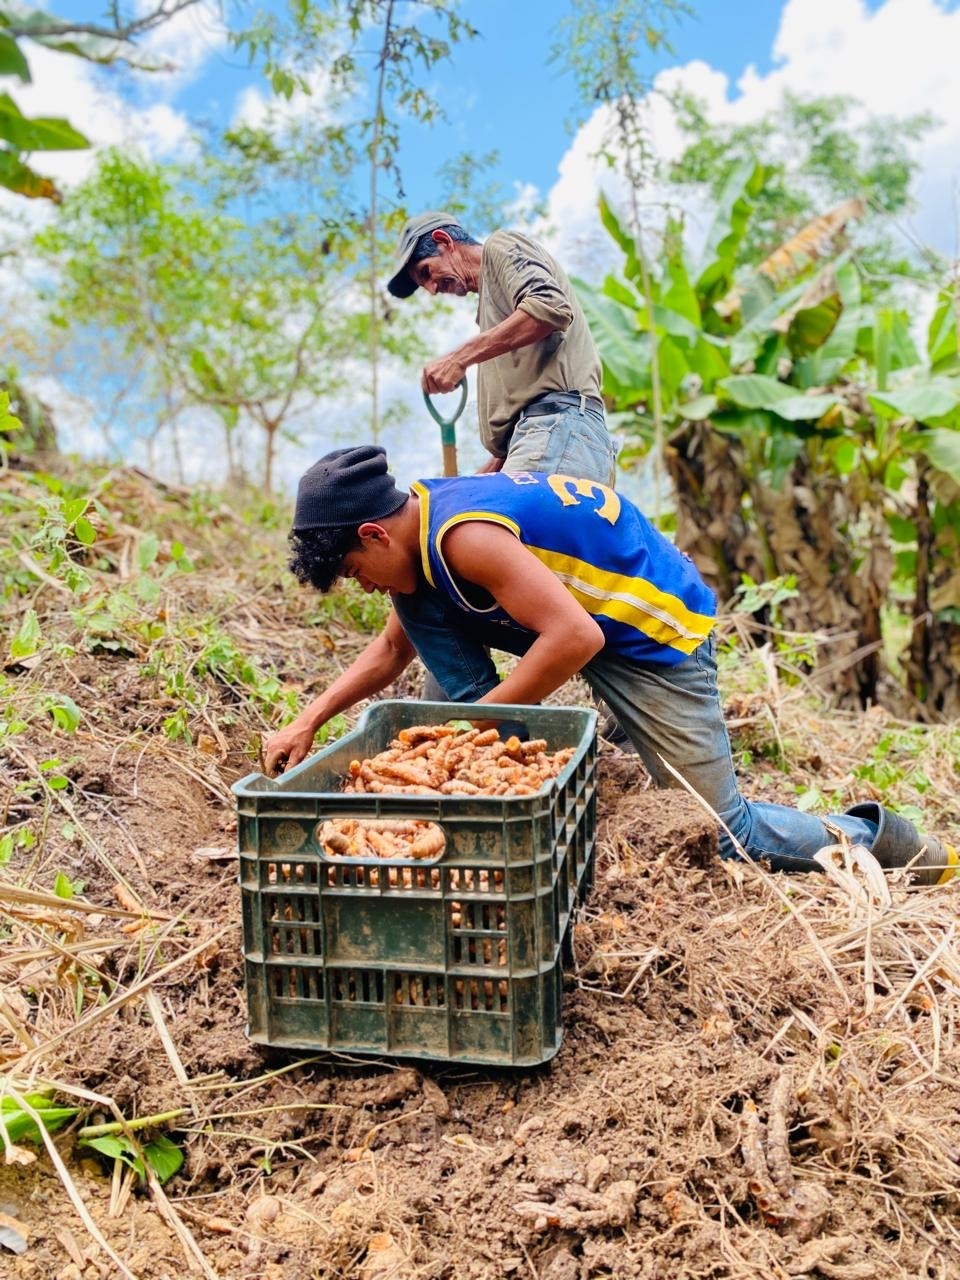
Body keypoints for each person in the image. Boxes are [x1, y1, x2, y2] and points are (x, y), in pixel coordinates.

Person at [263, 444, 959, 885]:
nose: (364, 584)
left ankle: (892, 842)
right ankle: (491, 769)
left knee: (722, 835)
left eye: (356, 570)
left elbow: (575, 639)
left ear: (373, 531)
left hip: (652, 633)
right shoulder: (416, 534)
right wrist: (307, 721)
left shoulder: (464, 536)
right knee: (415, 606)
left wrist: (472, 732)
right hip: (572, 619)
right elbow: (392, 649)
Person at [387, 210, 617, 486]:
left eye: (426, 271)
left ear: (444, 241)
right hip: (547, 436)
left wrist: (459, 358)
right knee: (481, 519)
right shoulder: (495, 315)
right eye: (423, 285)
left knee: (488, 526)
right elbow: (524, 414)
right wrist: (469, 487)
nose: (432, 289)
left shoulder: (500, 245)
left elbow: (551, 306)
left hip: (558, 426)